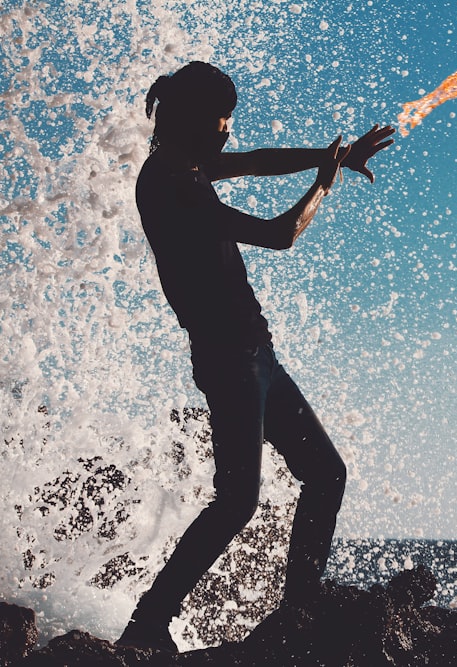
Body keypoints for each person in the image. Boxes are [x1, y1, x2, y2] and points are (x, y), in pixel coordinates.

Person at [117, 61, 395, 652]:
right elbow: (279, 234)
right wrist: (325, 182)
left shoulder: (186, 165)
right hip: (227, 360)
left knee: (326, 474)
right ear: (191, 122)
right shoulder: (170, 187)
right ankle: (147, 624)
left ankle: (296, 615)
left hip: (256, 355)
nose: (227, 135)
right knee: (239, 499)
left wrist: (334, 158)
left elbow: (259, 159)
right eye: (220, 124)